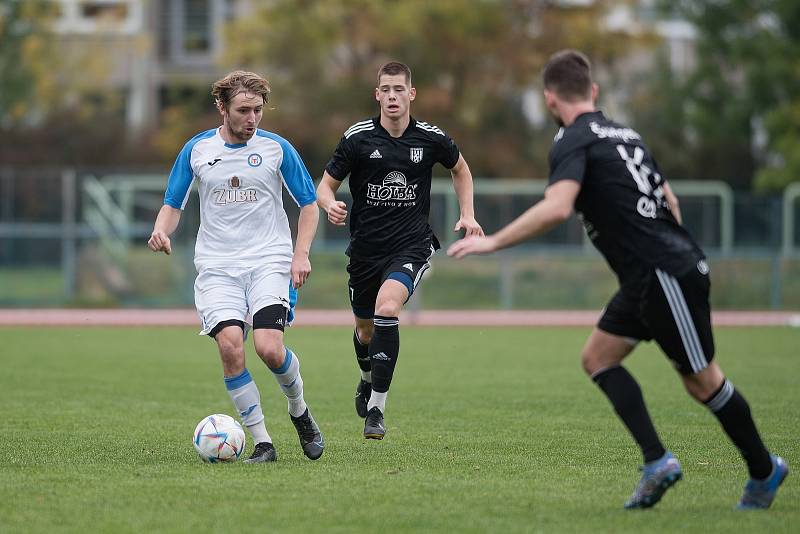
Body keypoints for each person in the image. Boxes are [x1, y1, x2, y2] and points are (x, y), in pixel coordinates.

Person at [448, 50, 788, 509]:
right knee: (598, 357)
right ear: (593, 91)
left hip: (663, 272)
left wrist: (493, 243)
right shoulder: (627, 134)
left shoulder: (570, 139)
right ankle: (657, 462)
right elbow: (668, 198)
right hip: (651, 273)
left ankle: (764, 471)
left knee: (703, 382)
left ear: (550, 99)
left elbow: (558, 206)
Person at [148, 70, 324, 463]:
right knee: (231, 346)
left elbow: (309, 205)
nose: (252, 119)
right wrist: (161, 230)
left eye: (258, 110)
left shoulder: (277, 149)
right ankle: (263, 442)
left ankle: (300, 411)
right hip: (217, 266)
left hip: (269, 261)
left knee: (268, 349)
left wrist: (301, 254)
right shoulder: (196, 150)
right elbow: (172, 204)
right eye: (243, 110)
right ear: (222, 108)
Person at [316, 61, 484, 440]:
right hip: (364, 250)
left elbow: (461, 169)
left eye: (399, 89)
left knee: (387, 308)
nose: (392, 96)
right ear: (377, 95)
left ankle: (376, 408)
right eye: (385, 90)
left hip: (411, 245)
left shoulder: (430, 138)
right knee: (364, 329)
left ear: (411, 94)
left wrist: (468, 214)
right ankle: (365, 377)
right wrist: (330, 205)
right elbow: (324, 186)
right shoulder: (357, 138)